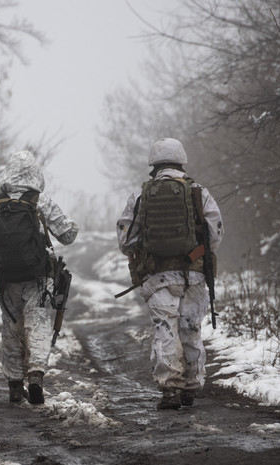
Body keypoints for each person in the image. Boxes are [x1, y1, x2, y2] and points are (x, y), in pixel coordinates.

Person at [0, 150, 79, 404]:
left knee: (12, 328)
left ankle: (15, 385)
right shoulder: (41, 202)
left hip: (6, 278)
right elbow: (69, 234)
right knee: (37, 323)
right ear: (35, 174)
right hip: (37, 277)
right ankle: (36, 375)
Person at [116, 138, 224, 410]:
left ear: (154, 163)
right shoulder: (199, 192)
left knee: (165, 330)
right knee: (191, 329)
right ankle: (192, 386)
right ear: (181, 160)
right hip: (195, 275)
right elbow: (215, 233)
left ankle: (171, 389)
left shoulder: (141, 195)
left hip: (157, 277)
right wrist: (195, 253)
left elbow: (125, 241)